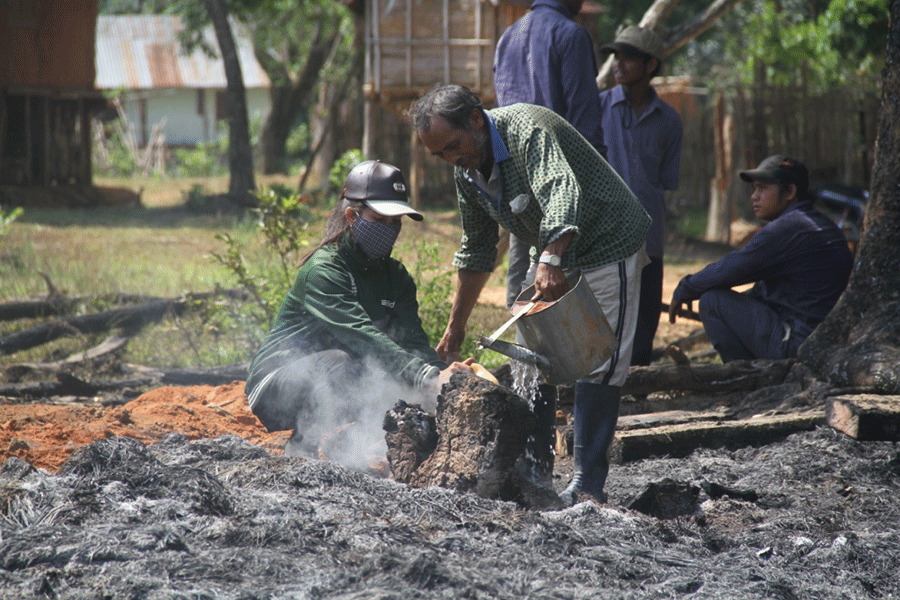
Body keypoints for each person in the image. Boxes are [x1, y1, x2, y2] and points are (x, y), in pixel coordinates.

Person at [408, 84, 651, 504]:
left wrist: (551, 258)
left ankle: (587, 485)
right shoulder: (467, 173)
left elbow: (561, 190)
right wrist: (455, 326)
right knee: (530, 359)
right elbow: (477, 248)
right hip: (552, 250)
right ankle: (534, 473)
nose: (450, 159)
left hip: (608, 242)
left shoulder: (527, 129)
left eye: (453, 146)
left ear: (475, 119)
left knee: (600, 360)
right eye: (440, 155)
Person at [244, 160, 473, 459]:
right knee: (343, 365)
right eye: (380, 219)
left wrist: (445, 377)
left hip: (342, 370)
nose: (389, 229)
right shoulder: (324, 270)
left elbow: (413, 344)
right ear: (352, 216)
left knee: (391, 377)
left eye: (396, 222)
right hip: (275, 385)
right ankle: (301, 449)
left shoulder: (397, 278)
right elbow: (361, 335)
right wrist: (425, 376)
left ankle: (346, 444)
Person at [668, 155, 854, 362]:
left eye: (763, 188)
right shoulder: (820, 223)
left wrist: (686, 287)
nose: (754, 197)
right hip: (824, 342)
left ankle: (744, 376)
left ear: (790, 192)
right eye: (754, 189)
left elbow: (734, 267)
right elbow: (765, 291)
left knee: (713, 302)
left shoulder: (789, 228)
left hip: (800, 345)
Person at [493, 0, 606, 312]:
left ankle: (521, 332)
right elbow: (585, 125)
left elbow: (501, 114)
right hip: (560, 178)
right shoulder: (571, 34)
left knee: (522, 274)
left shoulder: (508, 36)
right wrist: (596, 188)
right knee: (563, 276)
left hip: (517, 175)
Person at [598, 26, 683, 366]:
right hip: (604, 234)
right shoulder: (598, 108)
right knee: (605, 315)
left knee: (645, 318)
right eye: (615, 57)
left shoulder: (669, 120)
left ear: (650, 65)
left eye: (628, 58)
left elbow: (666, 180)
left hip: (649, 235)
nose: (618, 64)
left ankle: (640, 384)